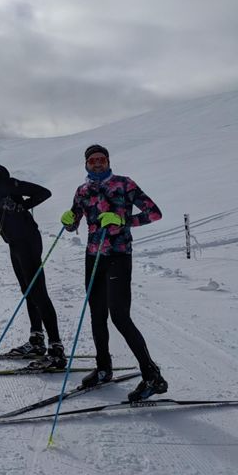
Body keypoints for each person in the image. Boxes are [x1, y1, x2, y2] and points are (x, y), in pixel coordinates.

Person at [60, 144, 167, 401]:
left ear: (108, 162)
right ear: (86, 164)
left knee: (119, 316)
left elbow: (154, 213)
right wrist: (68, 222)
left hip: (119, 256)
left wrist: (123, 221)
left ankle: (153, 376)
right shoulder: (83, 190)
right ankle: (103, 368)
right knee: (97, 314)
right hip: (93, 257)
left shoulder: (124, 184)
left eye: (102, 159)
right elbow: (74, 222)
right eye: (93, 160)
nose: (97, 163)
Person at [0, 155, 66, 369]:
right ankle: (36, 341)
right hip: (13, 243)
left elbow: (44, 193)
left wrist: (20, 207)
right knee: (28, 291)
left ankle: (56, 349)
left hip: (28, 240)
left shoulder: (6, 183)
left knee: (38, 292)